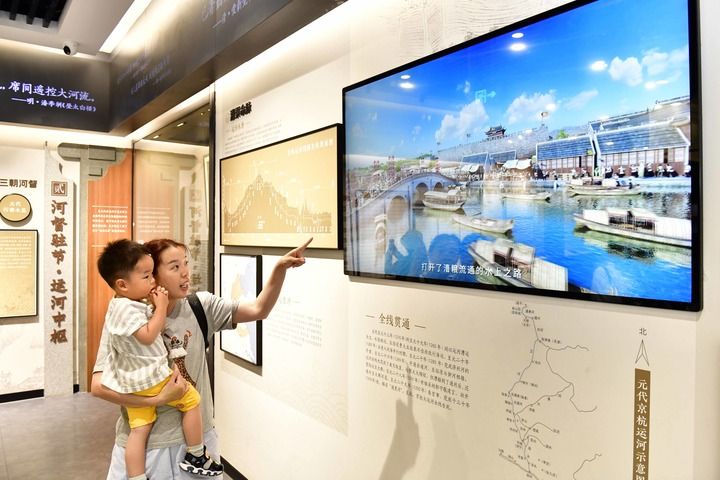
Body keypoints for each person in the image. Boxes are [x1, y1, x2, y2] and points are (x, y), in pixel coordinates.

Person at [92, 237, 312, 479]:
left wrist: (279, 269)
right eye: (174, 267)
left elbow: (259, 309)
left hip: (197, 444)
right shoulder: (127, 317)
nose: (185, 272)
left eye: (186, 263)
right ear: (152, 274)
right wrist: (158, 399)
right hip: (146, 449)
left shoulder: (200, 306)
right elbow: (98, 387)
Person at [96, 239, 223, 479]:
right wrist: (161, 308)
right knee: (191, 398)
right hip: (150, 383)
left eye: (185, 263)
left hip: (134, 387)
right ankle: (197, 453)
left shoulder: (120, 307)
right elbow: (147, 336)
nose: (185, 272)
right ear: (122, 284)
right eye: (147, 276)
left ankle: (136, 476)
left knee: (139, 431)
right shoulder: (129, 310)